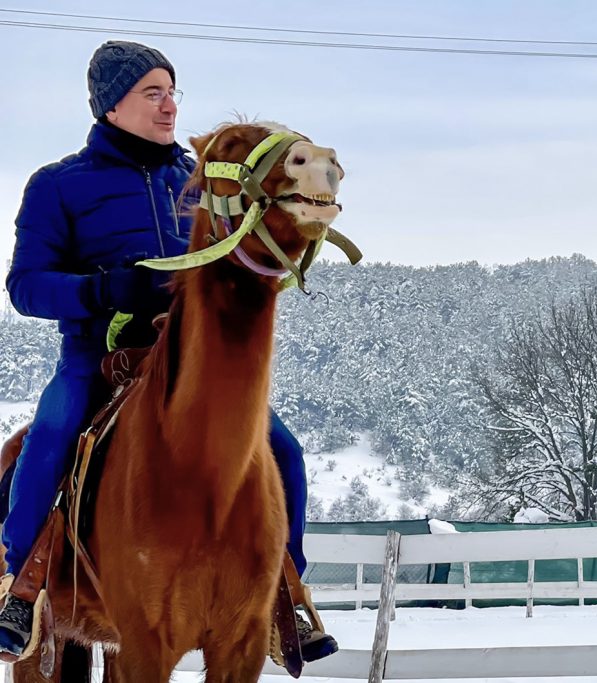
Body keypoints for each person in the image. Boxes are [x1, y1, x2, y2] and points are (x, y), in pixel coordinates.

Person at [0, 40, 338, 663]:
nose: (168, 106)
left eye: (172, 92)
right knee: (49, 437)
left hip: (191, 364)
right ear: (110, 107)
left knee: (283, 450)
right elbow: (25, 286)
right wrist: (105, 287)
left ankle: (284, 594)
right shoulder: (58, 186)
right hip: (97, 359)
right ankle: (18, 589)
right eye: (151, 93)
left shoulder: (199, 180)